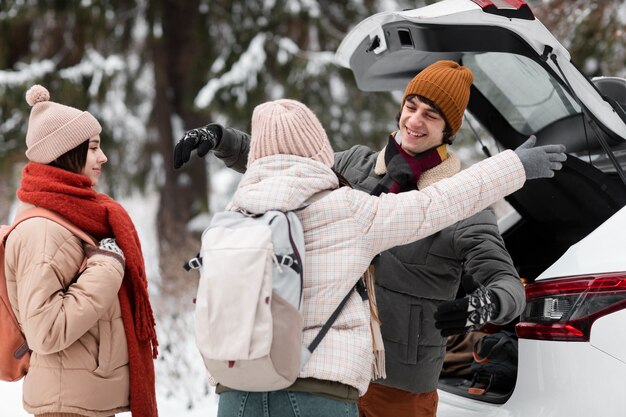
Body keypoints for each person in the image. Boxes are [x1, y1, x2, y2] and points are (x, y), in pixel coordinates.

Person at [174, 61, 533, 416]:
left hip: (398, 388)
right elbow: (289, 162)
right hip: (330, 366)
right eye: (411, 106)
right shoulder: (353, 166)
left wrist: (485, 305)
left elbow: (507, 284)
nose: (415, 121)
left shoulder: (465, 202)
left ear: (449, 130)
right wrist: (223, 139)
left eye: (431, 115)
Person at [4, 85, 159, 417]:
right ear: (65, 153)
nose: (102, 157)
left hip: (84, 399)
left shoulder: (75, 218)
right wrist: (108, 265)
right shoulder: (43, 231)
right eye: (92, 148)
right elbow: (46, 331)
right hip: (67, 405)